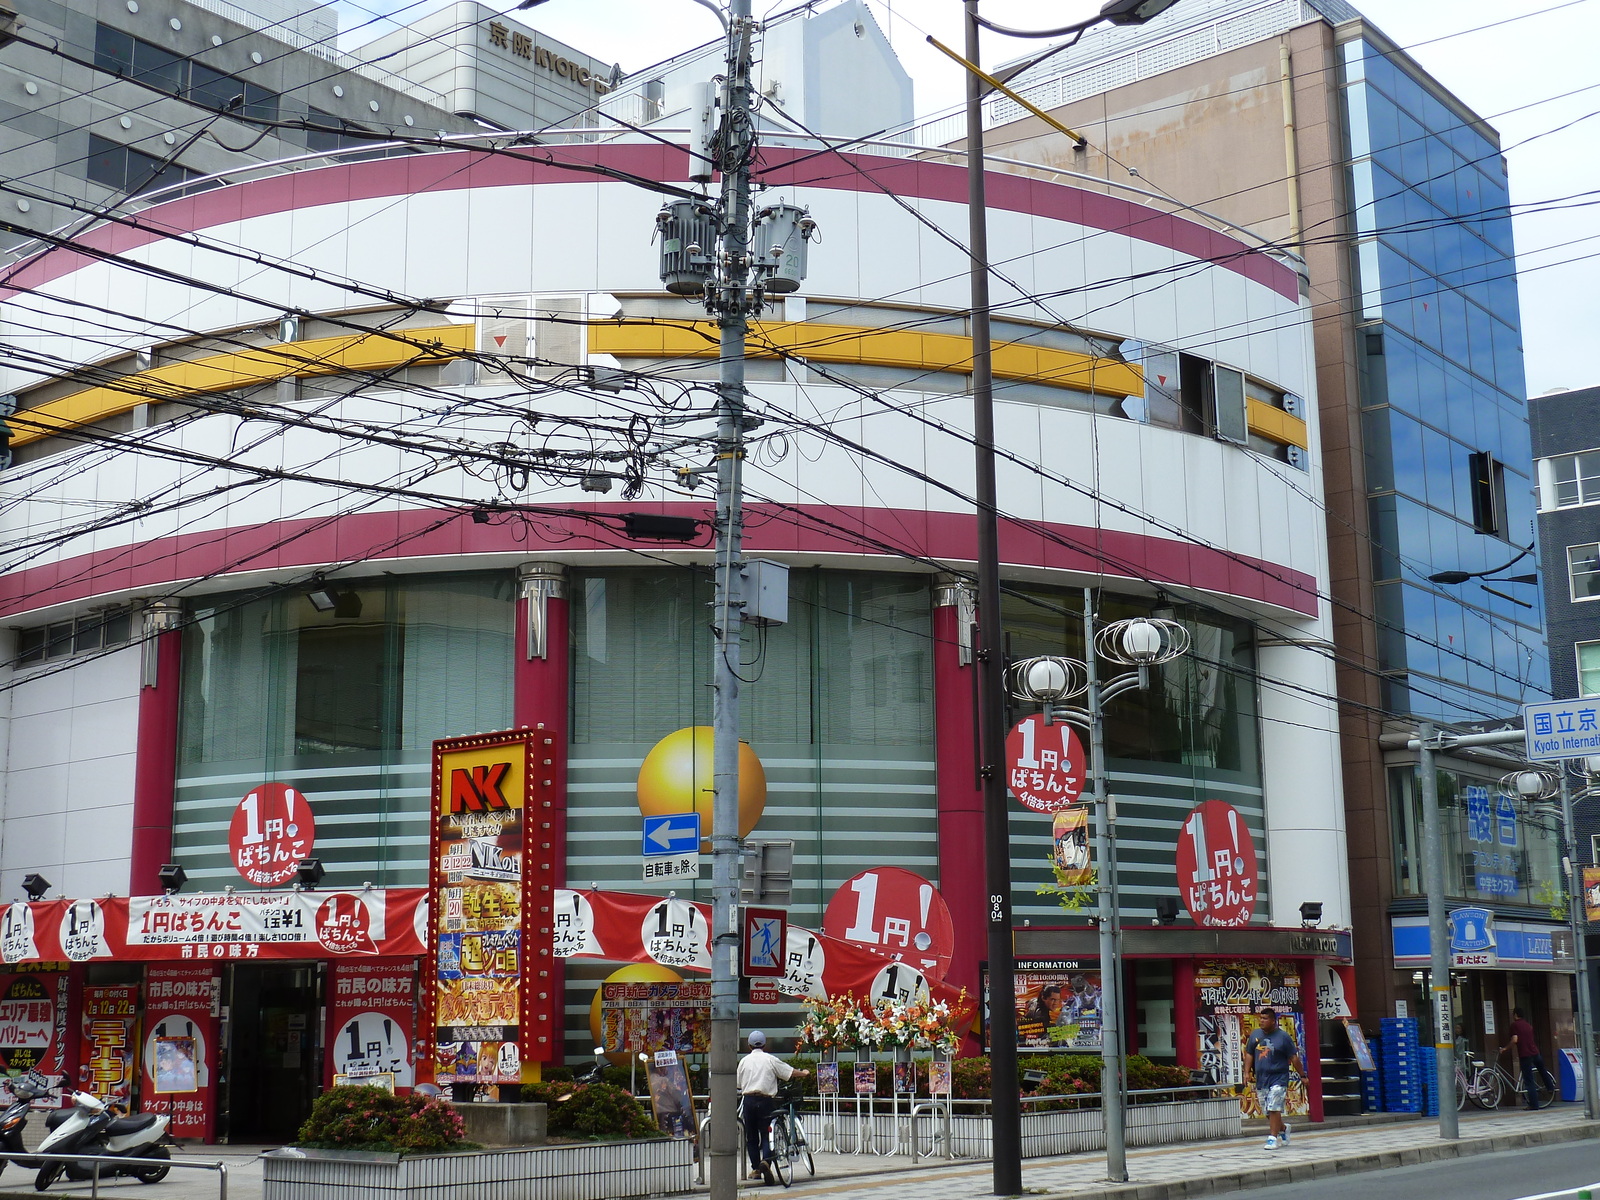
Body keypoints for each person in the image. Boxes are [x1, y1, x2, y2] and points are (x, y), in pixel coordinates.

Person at [736, 1030, 810, 1184]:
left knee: (751, 1137)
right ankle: (766, 1162)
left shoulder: (744, 1061)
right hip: (765, 1101)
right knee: (766, 1133)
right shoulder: (770, 1059)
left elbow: (738, 1083)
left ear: (749, 1045)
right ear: (765, 1044)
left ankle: (756, 1169)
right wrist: (803, 1073)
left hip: (748, 1100)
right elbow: (789, 1072)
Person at [1242, 1007, 1305, 1151]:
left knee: (1274, 1106)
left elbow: (1293, 1058)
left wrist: (1302, 1075)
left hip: (1278, 1078)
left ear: (1273, 1021)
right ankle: (1283, 1129)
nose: (1262, 1021)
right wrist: (1246, 1072)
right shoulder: (1255, 1034)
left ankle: (1272, 1138)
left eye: (1265, 1019)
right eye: (1261, 1018)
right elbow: (1250, 1053)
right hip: (1262, 1079)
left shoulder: (1283, 1037)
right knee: (1267, 1112)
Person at [1500, 1007, 1545, 1109]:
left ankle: (1534, 1105)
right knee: (1541, 1070)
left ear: (1515, 1015)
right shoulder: (1528, 1025)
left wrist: (1505, 1048)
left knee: (1529, 1081)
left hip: (1525, 1055)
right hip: (1535, 1052)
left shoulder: (1515, 1025)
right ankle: (1550, 1086)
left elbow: (1514, 1040)